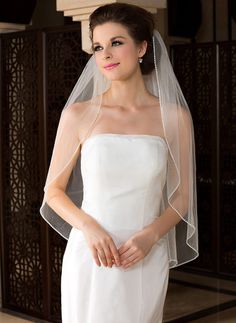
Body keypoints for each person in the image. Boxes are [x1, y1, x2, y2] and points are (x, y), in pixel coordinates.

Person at [40, 3, 198, 323]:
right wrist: (89, 227)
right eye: (99, 47)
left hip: (144, 254)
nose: (106, 55)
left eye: (116, 42)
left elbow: (182, 197)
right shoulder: (79, 115)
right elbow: (53, 191)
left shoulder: (174, 118)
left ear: (141, 47)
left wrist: (151, 235)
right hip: (91, 254)